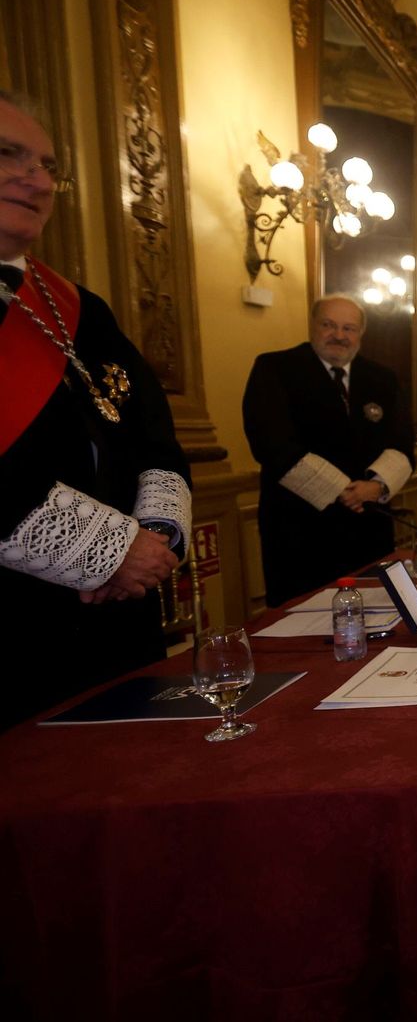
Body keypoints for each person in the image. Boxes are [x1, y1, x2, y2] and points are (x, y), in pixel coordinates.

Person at [0, 90, 192, 729]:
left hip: (121, 621)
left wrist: (154, 541)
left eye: (50, 166)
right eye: (10, 155)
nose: (38, 180)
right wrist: (109, 551)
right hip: (17, 629)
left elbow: (154, 433)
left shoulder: (82, 306)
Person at [243, 295, 413, 606]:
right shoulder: (276, 368)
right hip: (299, 531)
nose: (339, 335)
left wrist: (375, 486)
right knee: (303, 625)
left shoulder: (383, 378)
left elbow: (401, 443)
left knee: (377, 615)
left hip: (369, 527)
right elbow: (270, 442)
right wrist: (344, 490)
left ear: (360, 334)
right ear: (312, 326)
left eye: (349, 328)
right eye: (329, 325)